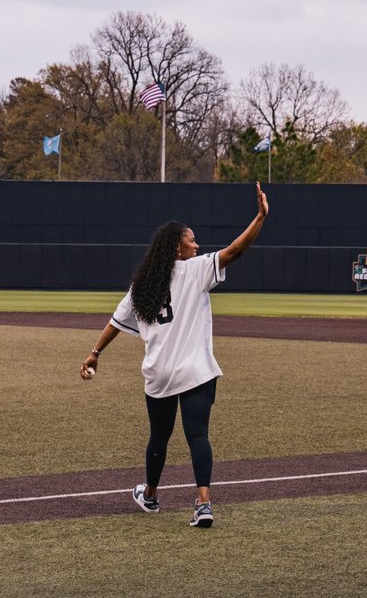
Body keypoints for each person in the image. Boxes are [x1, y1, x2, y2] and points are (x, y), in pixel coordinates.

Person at [80, 182, 269, 528]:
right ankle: (203, 503)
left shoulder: (143, 284)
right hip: (196, 370)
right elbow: (236, 250)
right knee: (197, 435)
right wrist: (259, 217)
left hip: (160, 374)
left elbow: (115, 323)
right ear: (176, 245)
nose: (196, 245)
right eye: (191, 240)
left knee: (159, 436)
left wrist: (94, 354)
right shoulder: (196, 270)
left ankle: (150, 495)